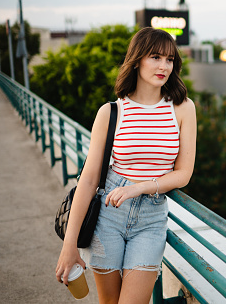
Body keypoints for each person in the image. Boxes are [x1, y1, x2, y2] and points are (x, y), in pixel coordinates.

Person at [55, 27, 197, 303]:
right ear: (137, 60)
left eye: (170, 59)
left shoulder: (182, 108)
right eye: (156, 57)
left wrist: (139, 188)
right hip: (108, 216)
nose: (164, 66)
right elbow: (88, 180)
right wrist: (68, 245)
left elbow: (184, 173)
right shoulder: (110, 112)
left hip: (151, 218)